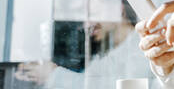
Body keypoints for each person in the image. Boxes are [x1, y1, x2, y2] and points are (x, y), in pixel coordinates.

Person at [16, 8, 160, 89]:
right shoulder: (107, 56)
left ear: (118, 9)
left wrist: (53, 75)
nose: (87, 25)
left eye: (92, 14)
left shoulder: (144, 50)